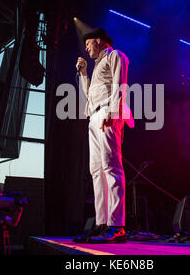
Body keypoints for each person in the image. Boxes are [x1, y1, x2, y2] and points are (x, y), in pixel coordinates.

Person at [73, 28, 133, 244]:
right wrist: (83, 73)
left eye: (88, 44)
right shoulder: (98, 64)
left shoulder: (115, 55)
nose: (87, 48)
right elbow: (88, 95)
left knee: (111, 167)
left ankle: (117, 225)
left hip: (108, 113)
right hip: (94, 117)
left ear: (98, 41)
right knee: (97, 170)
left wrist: (112, 112)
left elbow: (120, 84)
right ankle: (102, 223)